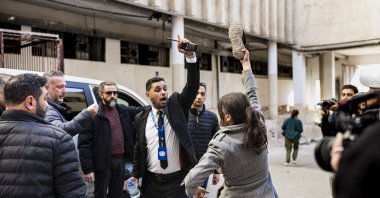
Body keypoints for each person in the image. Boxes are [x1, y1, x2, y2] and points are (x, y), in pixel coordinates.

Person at [184, 49, 278, 198]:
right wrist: (246, 66)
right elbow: (252, 94)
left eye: (221, 113)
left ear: (227, 117)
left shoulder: (222, 144)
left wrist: (193, 190)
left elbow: (191, 180)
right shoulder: (258, 122)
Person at [130, 36, 199, 198]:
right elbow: (139, 150)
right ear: (148, 94)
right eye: (158, 89)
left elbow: (192, 86)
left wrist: (190, 56)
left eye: (165, 88)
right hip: (152, 182)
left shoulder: (176, 105)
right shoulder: (141, 118)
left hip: (177, 181)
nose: (163, 92)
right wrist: (135, 174)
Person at [0, 73, 86, 197]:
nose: (47, 105)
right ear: (30, 102)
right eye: (45, 99)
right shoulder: (59, 139)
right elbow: (73, 194)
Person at [78, 81, 142, 198]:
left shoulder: (123, 111)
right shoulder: (94, 114)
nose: (112, 95)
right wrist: (88, 169)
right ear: (101, 94)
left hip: (120, 161)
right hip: (102, 163)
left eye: (115, 93)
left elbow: (142, 110)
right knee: (100, 194)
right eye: (108, 93)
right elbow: (84, 144)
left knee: (117, 194)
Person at [44, 70, 98, 136]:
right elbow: (59, 132)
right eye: (59, 87)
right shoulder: (47, 109)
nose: (64, 91)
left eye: (65, 87)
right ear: (46, 88)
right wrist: (87, 114)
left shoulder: (54, 108)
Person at [188, 82, 220, 191]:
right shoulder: (182, 115)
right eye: (196, 93)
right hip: (184, 168)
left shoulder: (212, 118)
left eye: (202, 94)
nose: (199, 97)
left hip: (203, 168)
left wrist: (217, 171)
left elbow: (217, 145)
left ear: (206, 96)